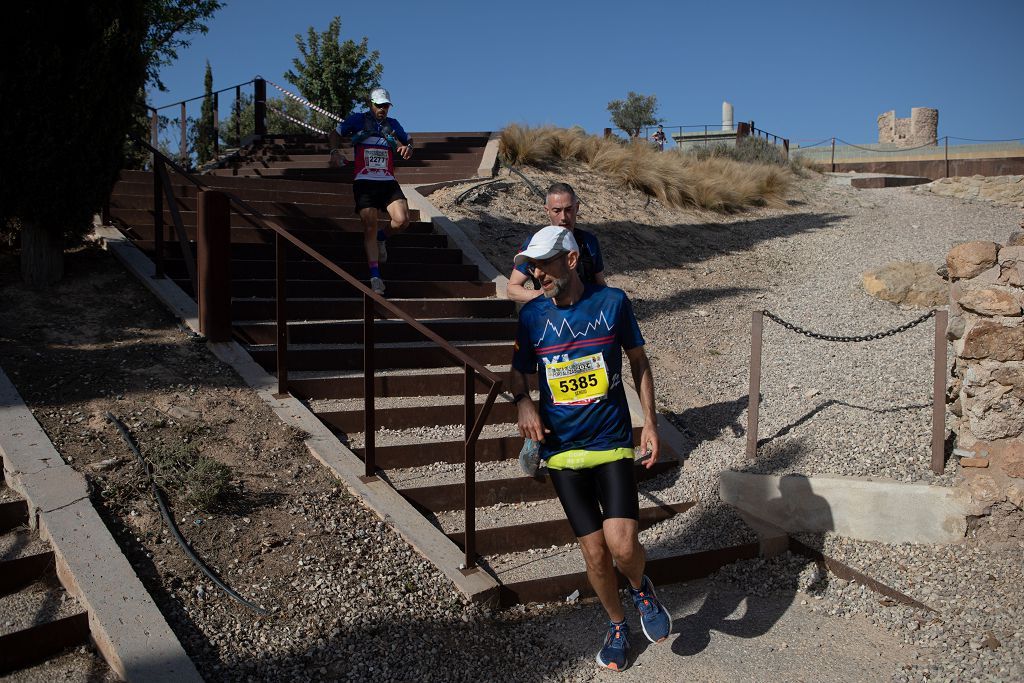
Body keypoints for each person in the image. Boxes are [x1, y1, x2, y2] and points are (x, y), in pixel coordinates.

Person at [508, 226, 671, 671]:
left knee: (622, 545)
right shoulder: (532, 318)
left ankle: (640, 588)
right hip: (561, 452)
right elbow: (517, 374)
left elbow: (638, 361)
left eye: (543, 264)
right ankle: (617, 623)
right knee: (595, 552)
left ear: (572, 261)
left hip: (612, 441)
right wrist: (523, 402)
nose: (536, 273)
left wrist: (651, 424)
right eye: (532, 265)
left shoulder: (613, 303)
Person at [328, 87, 413, 295]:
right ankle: (375, 277)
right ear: (370, 104)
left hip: (387, 181)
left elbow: (409, 140)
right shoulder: (357, 119)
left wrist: (408, 148)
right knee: (370, 226)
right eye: (379, 105)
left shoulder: (393, 125)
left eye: (385, 105)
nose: (382, 109)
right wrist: (334, 152)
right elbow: (335, 134)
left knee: (403, 220)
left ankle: (383, 238)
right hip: (364, 181)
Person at [506, 183, 606, 304]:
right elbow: (512, 289)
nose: (563, 217)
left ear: (577, 208)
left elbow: (600, 284)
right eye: (557, 211)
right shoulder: (535, 244)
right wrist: (547, 296)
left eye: (568, 210)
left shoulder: (589, 241)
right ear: (547, 211)